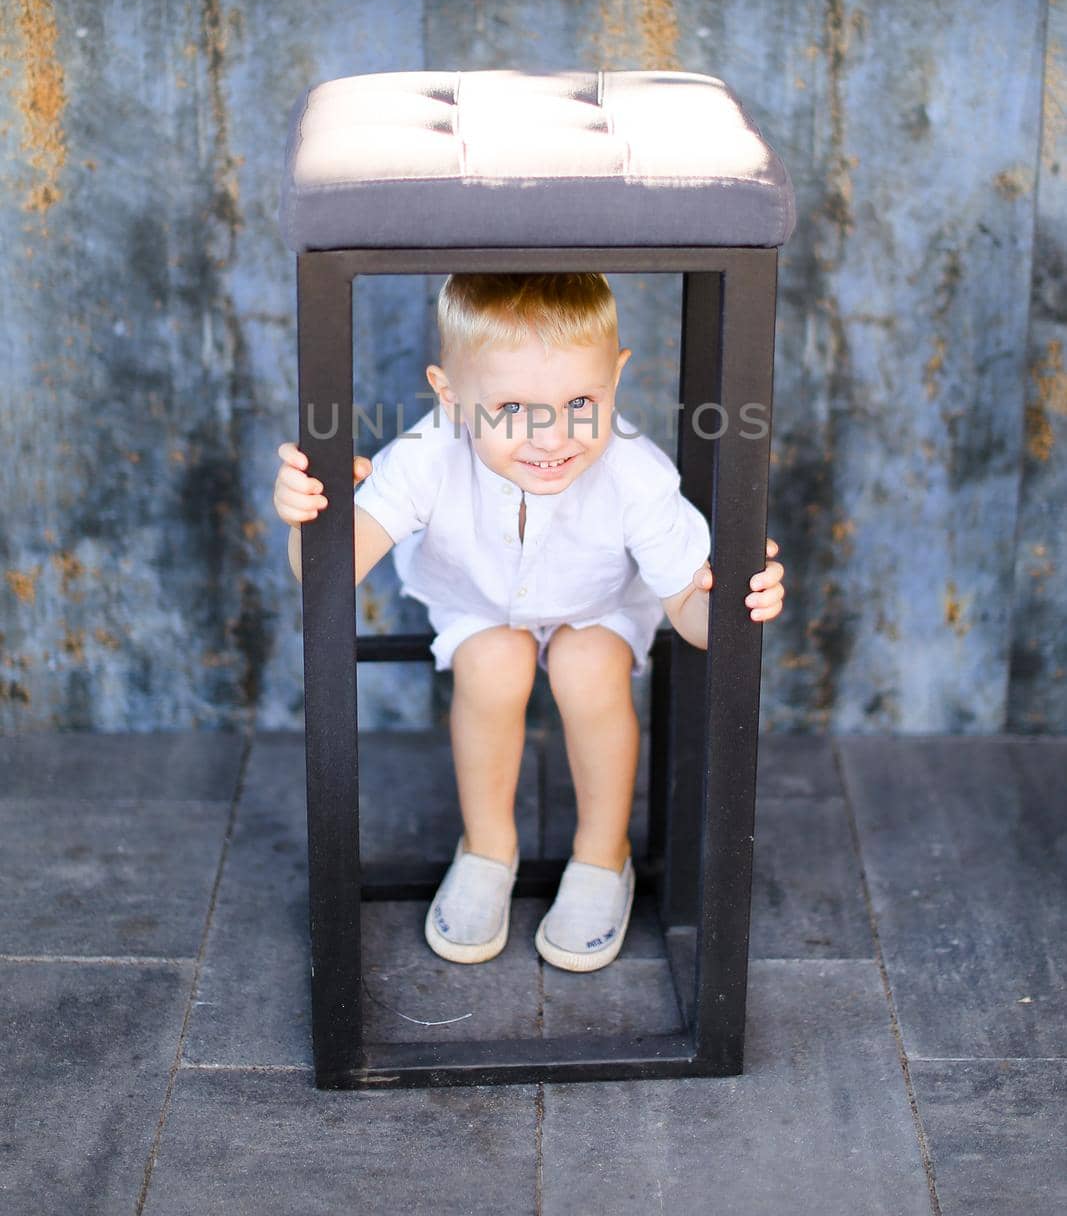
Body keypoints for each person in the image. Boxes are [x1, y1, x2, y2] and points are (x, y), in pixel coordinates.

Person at [272, 273, 785, 974]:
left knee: (589, 667)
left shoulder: (637, 475)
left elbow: (693, 620)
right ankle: (487, 848)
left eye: (580, 401)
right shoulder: (427, 456)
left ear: (616, 375)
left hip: (595, 606)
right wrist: (307, 520)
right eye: (512, 407)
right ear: (451, 396)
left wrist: (733, 602)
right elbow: (328, 569)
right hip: (476, 603)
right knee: (493, 663)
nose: (551, 436)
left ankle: (602, 856)